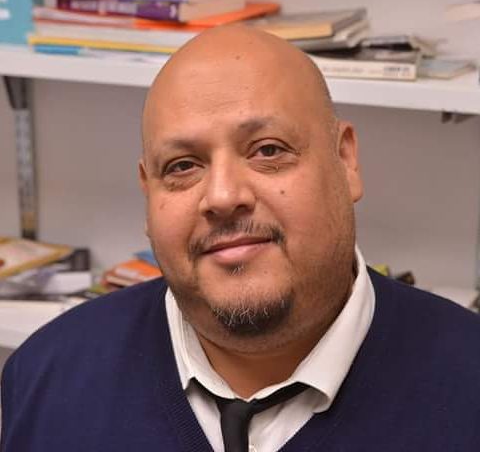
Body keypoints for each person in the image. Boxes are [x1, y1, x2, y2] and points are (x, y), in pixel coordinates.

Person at [1, 25, 480, 452]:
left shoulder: (467, 385)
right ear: (148, 192)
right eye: (182, 166)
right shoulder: (46, 378)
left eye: (267, 150)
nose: (224, 196)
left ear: (345, 160)